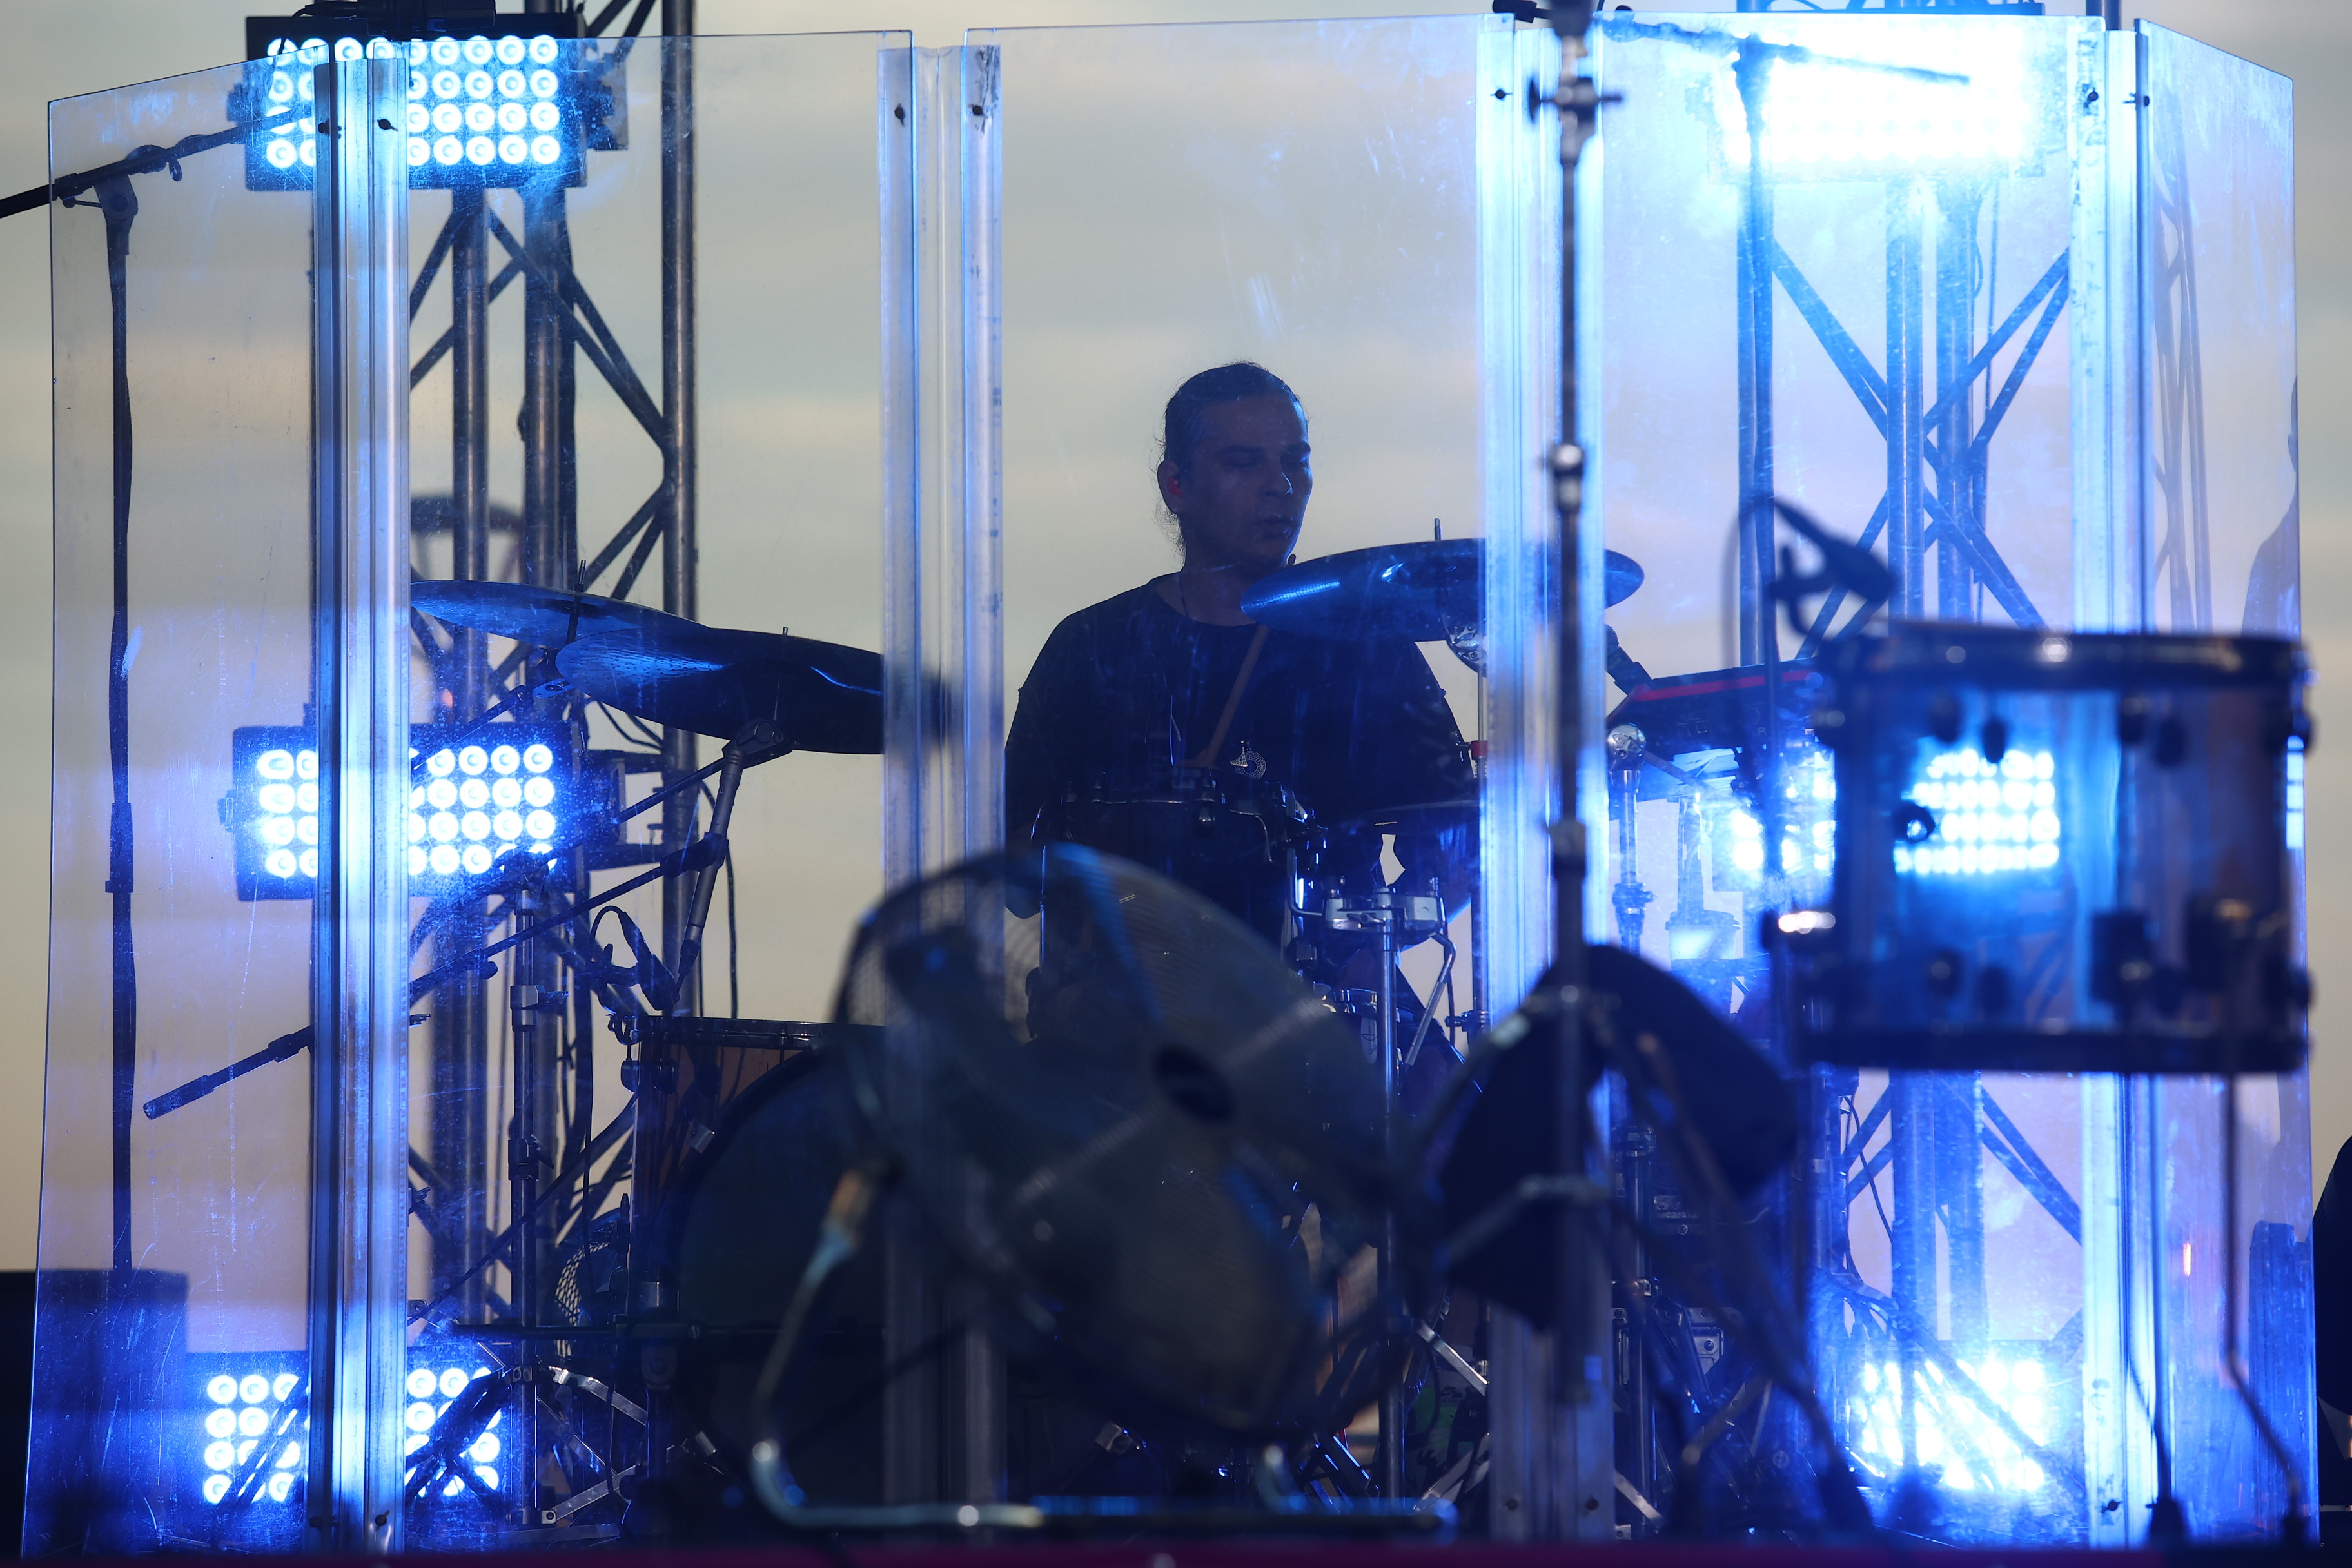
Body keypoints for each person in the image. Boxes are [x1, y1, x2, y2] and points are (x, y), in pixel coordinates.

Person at [1004, 362, 1474, 951]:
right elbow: (1009, 862)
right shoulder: (1091, 647)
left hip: (1317, 995)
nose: (1280, 485)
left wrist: (1358, 963)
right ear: (1176, 486)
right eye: (1243, 463)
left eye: (1295, 461)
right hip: (1119, 999)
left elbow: (1463, 850)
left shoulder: (1365, 650)